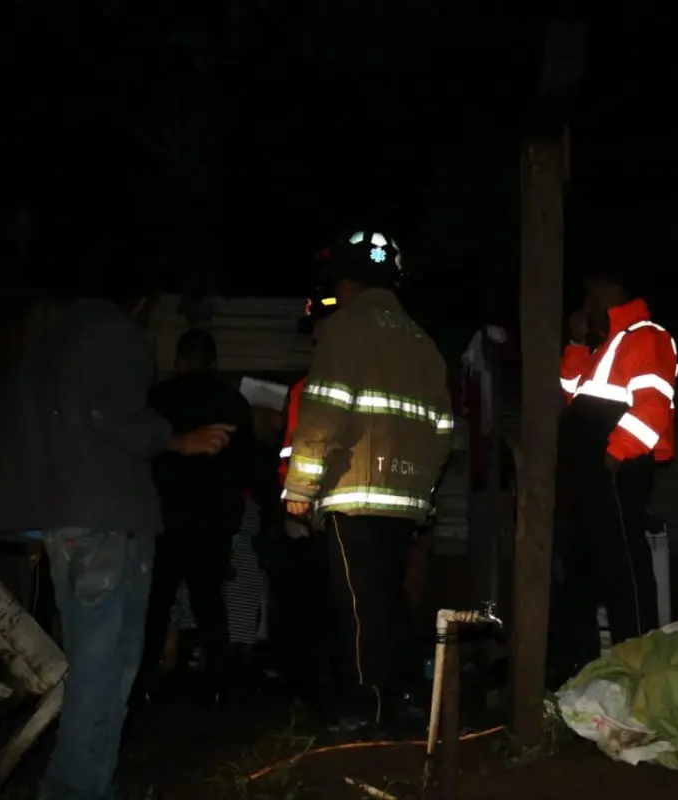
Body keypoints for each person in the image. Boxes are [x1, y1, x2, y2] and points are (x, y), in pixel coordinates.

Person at [0, 291, 235, 800]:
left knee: (89, 662)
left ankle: (79, 781)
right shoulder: (118, 336)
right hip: (109, 522)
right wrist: (177, 439)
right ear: (140, 301)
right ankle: (76, 788)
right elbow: (112, 416)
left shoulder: (46, 349)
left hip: (62, 526)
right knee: (108, 667)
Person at [282, 230, 453, 733]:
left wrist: (300, 488)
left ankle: (364, 707)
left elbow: (324, 413)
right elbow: (444, 430)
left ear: (346, 280)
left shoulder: (344, 328)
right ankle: (402, 699)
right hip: (405, 499)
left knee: (357, 605)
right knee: (391, 600)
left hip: (353, 491)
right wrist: (422, 493)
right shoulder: (422, 341)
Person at [139, 328, 278, 706]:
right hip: (212, 518)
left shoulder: (157, 400)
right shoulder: (231, 403)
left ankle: (144, 682)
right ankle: (217, 684)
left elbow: (141, 454)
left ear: (179, 360)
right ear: (214, 362)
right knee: (209, 600)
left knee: (156, 601)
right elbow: (250, 464)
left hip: (164, 516)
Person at [555, 271, 678, 664]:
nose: (586, 303)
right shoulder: (605, 345)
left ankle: (640, 665)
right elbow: (572, 395)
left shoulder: (646, 336)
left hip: (618, 469)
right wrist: (575, 343)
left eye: (592, 293)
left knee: (625, 569)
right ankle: (575, 666)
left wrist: (615, 454)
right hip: (592, 472)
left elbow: (653, 407)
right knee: (582, 570)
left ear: (612, 292)